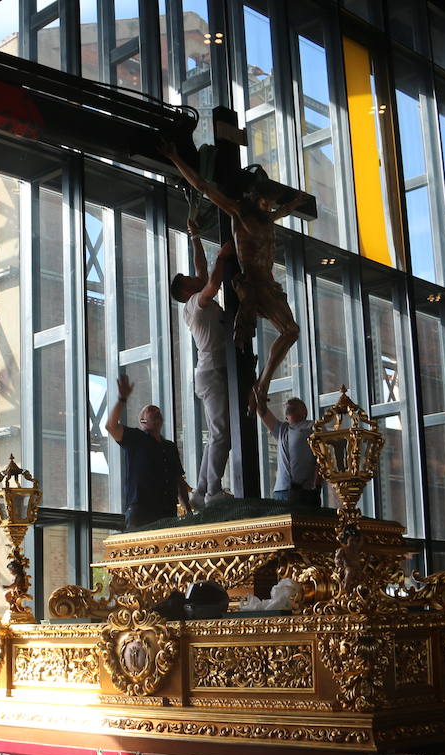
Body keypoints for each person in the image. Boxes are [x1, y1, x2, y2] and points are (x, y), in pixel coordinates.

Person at [162, 142, 312, 404]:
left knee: (291, 331)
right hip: (254, 284)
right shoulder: (240, 213)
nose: (268, 206)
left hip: (269, 283)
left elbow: (200, 270)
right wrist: (175, 156)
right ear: (256, 198)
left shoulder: (267, 217)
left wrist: (195, 236)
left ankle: (261, 385)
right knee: (291, 331)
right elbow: (203, 186)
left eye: (270, 204)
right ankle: (261, 387)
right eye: (265, 202)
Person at [172, 220, 235, 508]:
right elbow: (211, 281)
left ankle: (201, 490)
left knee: (217, 434)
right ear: (186, 291)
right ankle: (213, 492)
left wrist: (195, 236)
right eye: (188, 279)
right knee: (222, 433)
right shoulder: (197, 303)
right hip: (212, 373)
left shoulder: (194, 302)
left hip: (210, 373)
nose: (194, 276)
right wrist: (222, 256)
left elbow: (201, 272)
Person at [104, 375, 191, 529]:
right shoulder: (136, 438)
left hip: (167, 512)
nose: (157, 411)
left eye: (158, 411)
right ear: (142, 421)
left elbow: (179, 481)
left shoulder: (170, 447)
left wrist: (188, 511)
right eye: (151, 410)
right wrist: (122, 399)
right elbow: (111, 426)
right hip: (141, 512)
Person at [250, 390, 321, 507]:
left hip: (304, 491)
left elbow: (322, 457)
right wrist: (259, 400)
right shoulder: (282, 429)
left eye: (294, 404)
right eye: (287, 404)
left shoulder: (312, 426)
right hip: (281, 491)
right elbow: (263, 413)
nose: (288, 403)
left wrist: (317, 486)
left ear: (304, 411)